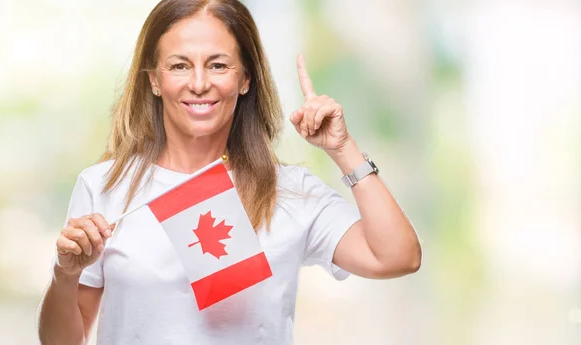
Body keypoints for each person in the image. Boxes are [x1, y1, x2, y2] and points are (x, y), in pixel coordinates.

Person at [37, 0, 422, 344]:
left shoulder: (291, 192)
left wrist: (342, 149)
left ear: (245, 79)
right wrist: (64, 273)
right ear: (154, 79)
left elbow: (398, 257)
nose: (200, 83)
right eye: (179, 65)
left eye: (218, 65)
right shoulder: (105, 186)